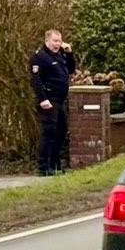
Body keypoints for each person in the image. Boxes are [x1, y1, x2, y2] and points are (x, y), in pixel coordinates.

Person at [29, 27, 76, 176]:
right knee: (49, 133)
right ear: (47, 41)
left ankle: (55, 163)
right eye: (55, 41)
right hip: (49, 101)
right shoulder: (40, 58)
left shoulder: (60, 55)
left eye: (59, 41)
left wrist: (69, 53)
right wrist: (43, 99)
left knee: (61, 132)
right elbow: (35, 80)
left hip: (60, 100)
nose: (57, 44)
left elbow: (71, 69)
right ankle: (44, 166)